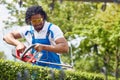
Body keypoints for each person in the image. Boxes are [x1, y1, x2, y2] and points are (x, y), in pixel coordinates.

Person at [3, 5, 69, 69]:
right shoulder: (28, 30)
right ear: (30, 21)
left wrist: (43, 47)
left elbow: (65, 47)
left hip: (54, 70)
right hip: (35, 70)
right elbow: (6, 37)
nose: (37, 23)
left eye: (39, 20)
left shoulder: (52, 29)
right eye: (34, 21)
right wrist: (18, 44)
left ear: (42, 17)